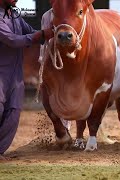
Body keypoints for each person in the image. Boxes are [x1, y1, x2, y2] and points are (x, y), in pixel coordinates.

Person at [0, 0, 54, 161]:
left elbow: (30, 32)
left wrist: (54, 31)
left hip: (15, 75)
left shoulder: (15, 15)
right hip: (1, 73)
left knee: (14, 112)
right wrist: (42, 35)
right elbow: (13, 40)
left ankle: (0, 151)